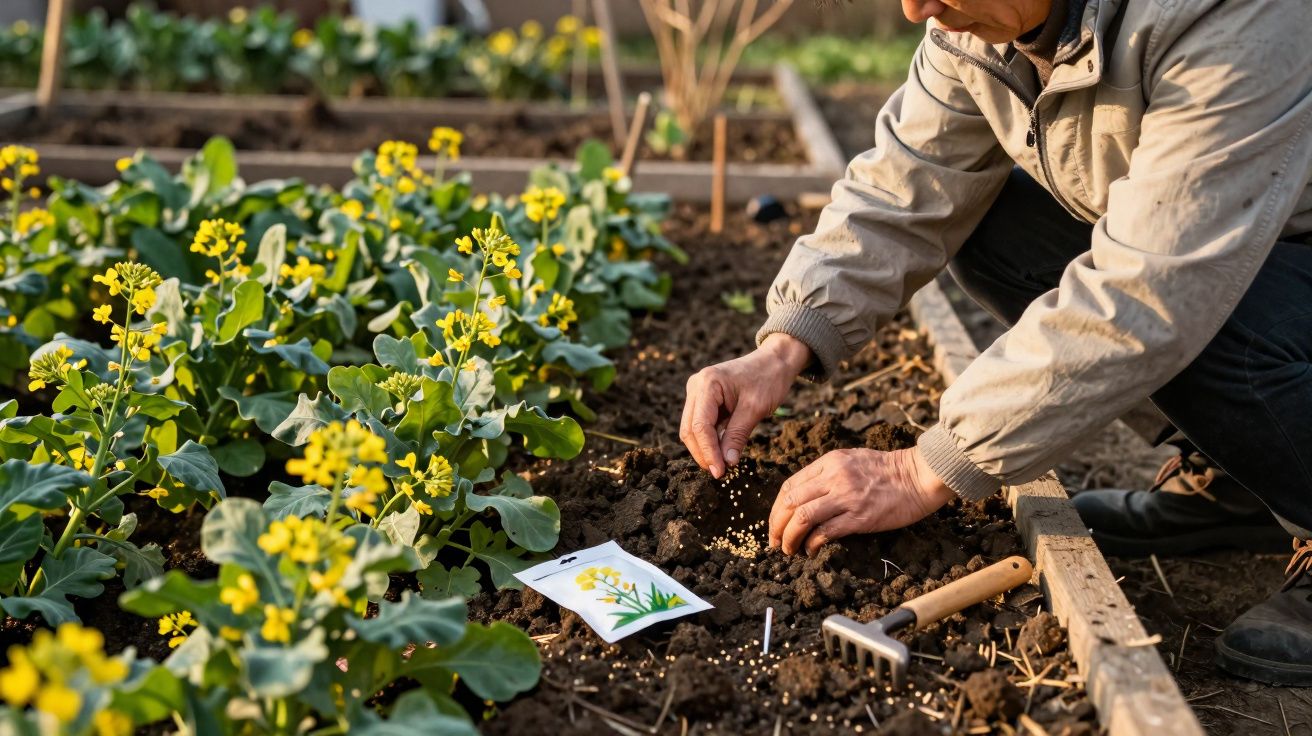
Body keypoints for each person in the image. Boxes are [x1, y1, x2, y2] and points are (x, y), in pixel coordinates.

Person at [680, 0, 1312, 686]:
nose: (916, 8)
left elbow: (1151, 289)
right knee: (994, 226)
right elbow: (906, 185)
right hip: (1243, 251)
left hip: (1248, 257)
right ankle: (1246, 478)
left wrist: (923, 468)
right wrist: (782, 347)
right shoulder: (974, 28)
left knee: (1173, 298)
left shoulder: (1228, 14)